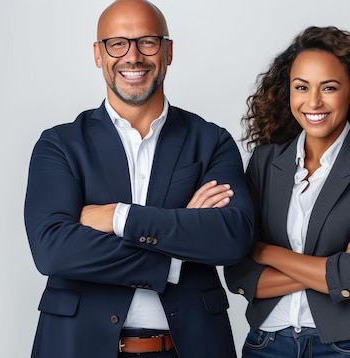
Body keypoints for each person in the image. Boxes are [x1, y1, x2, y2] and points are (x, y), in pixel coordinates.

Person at [23, 1, 253, 357]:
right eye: (117, 43)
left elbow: (231, 237)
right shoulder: (60, 144)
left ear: (168, 51)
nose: (133, 56)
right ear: (98, 55)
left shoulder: (211, 141)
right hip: (77, 344)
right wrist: (175, 255)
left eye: (147, 42)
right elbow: (53, 251)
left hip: (190, 346)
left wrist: (117, 217)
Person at [224, 26, 350, 357]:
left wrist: (267, 253)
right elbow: (239, 274)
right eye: (301, 87)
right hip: (266, 344)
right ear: (288, 92)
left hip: (345, 347)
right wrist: (335, 266)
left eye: (329, 87)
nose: (313, 101)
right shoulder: (266, 162)